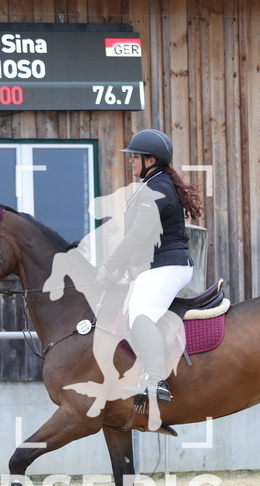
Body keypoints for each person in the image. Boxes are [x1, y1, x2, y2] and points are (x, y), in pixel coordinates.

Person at [96, 128, 203, 405]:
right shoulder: (155, 185)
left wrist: (111, 267)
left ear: (151, 160)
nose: (131, 162)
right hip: (156, 265)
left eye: (135, 157)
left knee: (140, 316)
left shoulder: (157, 189)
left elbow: (138, 236)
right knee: (129, 320)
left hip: (167, 265)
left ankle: (157, 382)